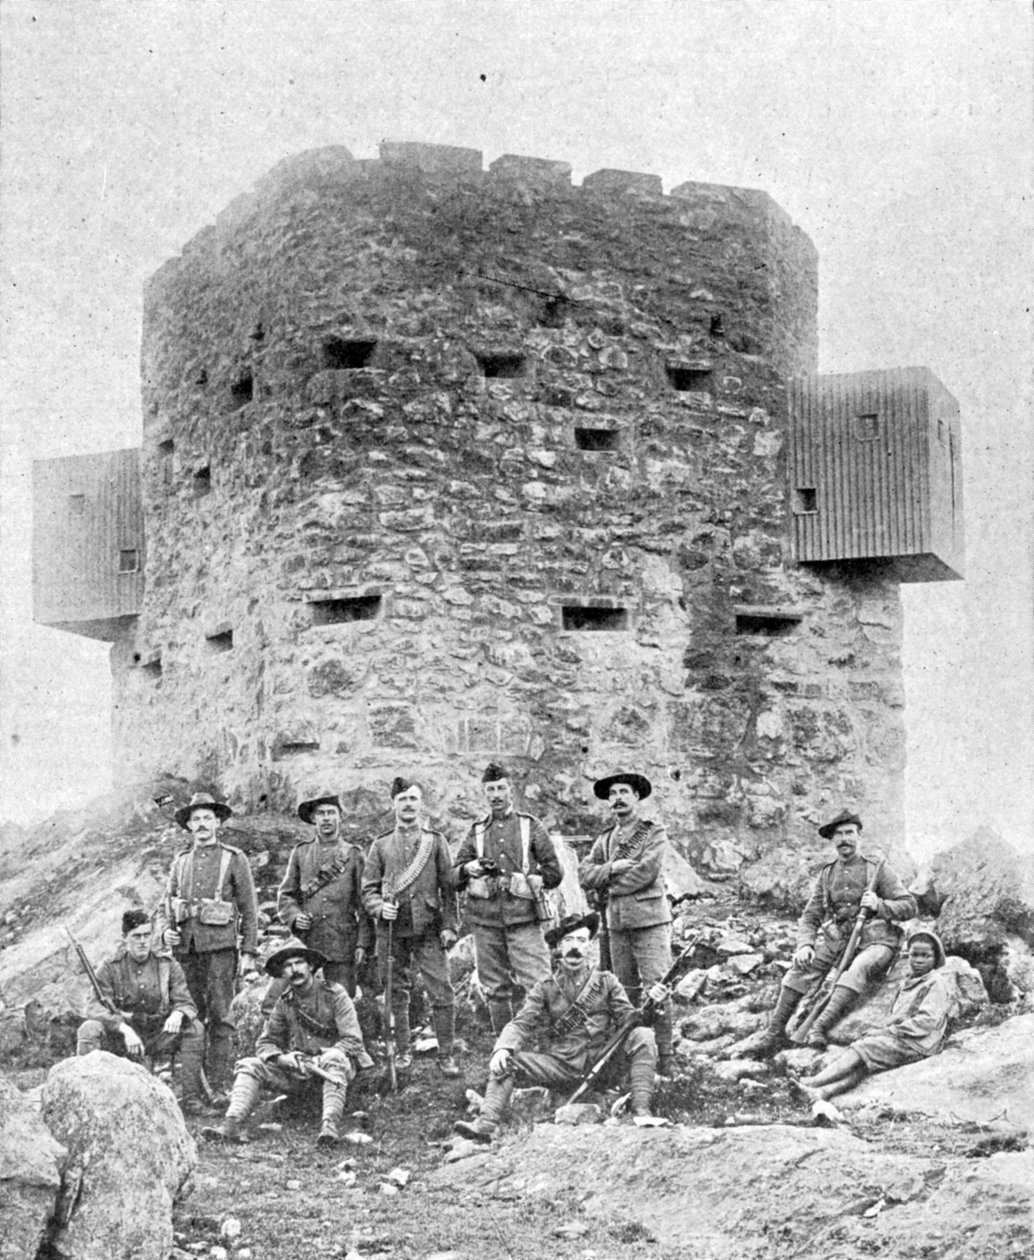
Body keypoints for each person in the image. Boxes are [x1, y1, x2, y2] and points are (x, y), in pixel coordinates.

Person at [454, 911, 670, 1143]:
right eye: (568, 941)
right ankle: (485, 1124)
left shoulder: (606, 982)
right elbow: (521, 1023)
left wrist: (652, 1005)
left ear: (590, 947)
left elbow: (630, 1020)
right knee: (508, 1060)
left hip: (603, 1062)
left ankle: (642, 1113)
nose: (574, 948)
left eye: (581, 941)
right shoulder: (545, 988)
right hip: (560, 1066)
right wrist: (503, 1048)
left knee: (643, 1034)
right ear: (558, 947)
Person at [745, 809, 916, 1053]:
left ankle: (819, 1028)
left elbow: (910, 906)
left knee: (857, 969)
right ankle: (774, 1032)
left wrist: (880, 905)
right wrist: (805, 945)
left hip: (877, 941)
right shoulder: (827, 873)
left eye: (849, 833)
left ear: (859, 837)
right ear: (832, 840)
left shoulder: (877, 869)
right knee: (800, 969)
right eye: (839, 834)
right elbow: (810, 915)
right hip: (839, 940)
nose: (844, 839)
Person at [201, 937, 373, 1145]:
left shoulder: (335, 994)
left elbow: (352, 1041)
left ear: (310, 966)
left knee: (335, 1056)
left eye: (299, 963)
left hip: (334, 1072)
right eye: (288, 966)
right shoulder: (285, 1003)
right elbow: (265, 1044)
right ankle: (231, 1125)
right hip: (299, 1073)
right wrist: (284, 1059)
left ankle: (329, 1128)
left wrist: (319, 1059)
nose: (294, 970)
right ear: (283, 973)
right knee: (249, 1065)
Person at [156, 791, 259, 1093]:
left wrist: (250, 950)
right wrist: (166, 933)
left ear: (217, 822)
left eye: (207, 818)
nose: (201, 824)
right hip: (186, 951)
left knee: (221, 1017)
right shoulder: (181, 862)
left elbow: (250, 907)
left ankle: (220, 1083)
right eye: (195, 819)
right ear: (188, 825)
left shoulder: (233, 858)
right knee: (190, 1015)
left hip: (220, 950)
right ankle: (192, 1086)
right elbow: (166, 906)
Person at [361, 776, 462, 1077]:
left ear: (421, 804)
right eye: (402, 799)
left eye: (413, 799)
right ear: (393, 804)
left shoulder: (435, 842)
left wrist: (449, 926)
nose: (408, 804)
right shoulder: (380, 846)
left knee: (442, 991)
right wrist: (380, 907)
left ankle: (446, 1054)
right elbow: (368, 890)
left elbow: (449, 888)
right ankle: (402, 1052)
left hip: (429, 928)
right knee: (396, 993)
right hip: (393, 930)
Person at [577, 771, 675, 1076]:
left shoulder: (652, 832)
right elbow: (583, 873)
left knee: (658, 987)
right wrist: (612, 868)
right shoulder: (605, 839)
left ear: (636, 797)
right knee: (624, 992)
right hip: (616, 925)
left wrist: (606, 885)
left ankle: (667, 1055)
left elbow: (646, 872)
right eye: (612, 795)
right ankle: (634, 1054)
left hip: (649, 923)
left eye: (624, 792)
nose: (617, 799)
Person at [454, 762, 563, 1034]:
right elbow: (452, 876)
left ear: (511, 791)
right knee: (494, 988)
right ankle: (504, 1047)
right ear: (484, 793)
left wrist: (533, 881)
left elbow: (555, 872)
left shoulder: (529, 826)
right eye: (490, 789)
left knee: (539, 983)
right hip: (486, 922)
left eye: (501, 788)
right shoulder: (477, 830)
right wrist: (469, 869)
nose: (496, 795)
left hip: (524, 919)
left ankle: (546, 1044)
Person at [76, 909, 212, 1115]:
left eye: (147, 935)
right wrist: (122, 1028)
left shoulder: (167, 965)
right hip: (121, 1038)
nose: (142, 941)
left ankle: (190, 1097)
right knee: (89, 1028)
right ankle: (86, 1097)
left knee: (194, 1027)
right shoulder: (110, 966)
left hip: (157, 1034)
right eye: (136, 936)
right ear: (125, 938)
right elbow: (93, 1007)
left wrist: (179, 1013)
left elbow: (186, 1002)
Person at [797, 928, 954, 1103]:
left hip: (920, 1042)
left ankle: (814, 1081)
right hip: (907, 1037)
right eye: (914, 954)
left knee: (865, 1046)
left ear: (936, 958)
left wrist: (887, 1032)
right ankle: (821, 1093)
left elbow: (926, 1021)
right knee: (866, 1062)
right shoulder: (909, 982)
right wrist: (881, 1029)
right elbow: (898, 1015)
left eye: (926, 956)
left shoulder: (935, 984)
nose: (918, 960)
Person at [277, 789, 374, 997]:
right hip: (307, 944)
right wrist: (294, 917)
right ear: (313, 818)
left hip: (342, 945)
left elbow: (365, 903)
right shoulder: (300, 852)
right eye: (321, 813)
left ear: (340, 816)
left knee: (340, 1002)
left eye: (332, 812)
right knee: (303, 1001)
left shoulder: (354, 855)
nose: (327, 818)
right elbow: (286, 896)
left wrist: (362, 944)